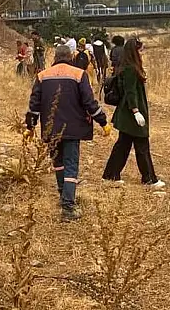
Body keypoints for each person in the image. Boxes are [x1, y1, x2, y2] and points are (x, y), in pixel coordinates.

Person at [25, 45, 111, 221]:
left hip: (50, 129)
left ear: (55, 57)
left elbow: (34, 105)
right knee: (71, 166)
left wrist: (30, 127)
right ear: (71, 56)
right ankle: (68, 207)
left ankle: (62, 194)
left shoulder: (42, 76)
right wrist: (102, 122)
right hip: (72, 128)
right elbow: (89, 103)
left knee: (58, 163)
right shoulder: (79, 74)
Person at [102, 39, 165, 188]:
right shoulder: (130, 68)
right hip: (130, 113)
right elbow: (130, 92)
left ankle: (111, 174)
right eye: (141, 50)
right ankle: (149, 179)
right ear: (134, 51)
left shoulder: (128, 66)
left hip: (126, 113)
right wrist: (136, 111)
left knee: (123, 145)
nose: (143, 53)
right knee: (141, 145)